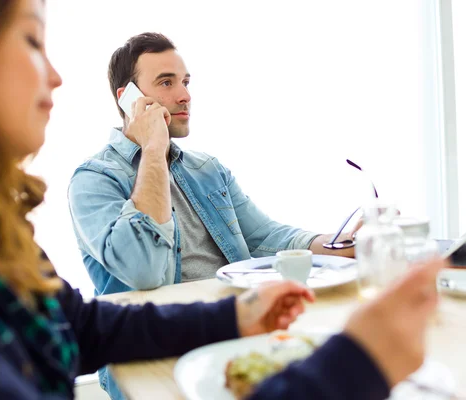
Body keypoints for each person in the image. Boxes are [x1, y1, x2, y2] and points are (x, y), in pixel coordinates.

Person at [0, 1, 445, 400]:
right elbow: (142, 274)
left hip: (215, 340)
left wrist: (250, 303)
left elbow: (81, 327)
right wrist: (354, 367)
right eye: (31, 39)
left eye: (187, 80)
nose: (57, 77)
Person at [68, 32, 359, 299]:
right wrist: (153, 147)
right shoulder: (93, 180)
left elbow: (267, 237)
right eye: (166, 82)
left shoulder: (207, 169)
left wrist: (344, 245)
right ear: (127, 99)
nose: (185, 96)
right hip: (160, 335)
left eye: (185, 82)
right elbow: (143, 271)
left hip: (234, 316)